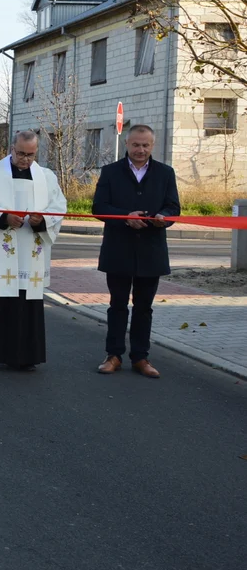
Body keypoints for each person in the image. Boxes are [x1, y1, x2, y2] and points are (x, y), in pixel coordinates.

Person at [0, 131, 67, 371]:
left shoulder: (47, 178)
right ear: (11, 148)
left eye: (30, 155)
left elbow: (58, 207)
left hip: (29, 251)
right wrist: (3, 217)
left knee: (24, 303)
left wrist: (42, 221)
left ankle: (23, 356)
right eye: (20, 153)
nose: (25, 159)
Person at [92, 124, 180, 379]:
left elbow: (173, 206)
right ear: (127, 144)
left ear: (153, 146)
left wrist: (165, 218)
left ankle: (141, 358)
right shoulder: (110, 172)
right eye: (136, 145)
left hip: (151, 250)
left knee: (144, 307)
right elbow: (98, 207)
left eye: (146, 145)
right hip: (119, 249)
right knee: (117, 304)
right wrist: (124, 217)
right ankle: (113, 355)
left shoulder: (165, 173)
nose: (141, 150)